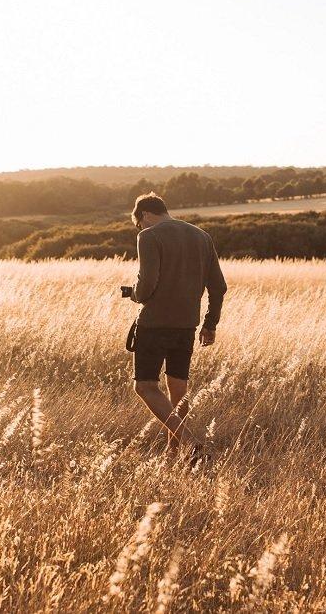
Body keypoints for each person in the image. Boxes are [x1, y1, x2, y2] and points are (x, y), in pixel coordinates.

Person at [126, 192, 227, 465]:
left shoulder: (149, 236)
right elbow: (219, 287)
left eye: (139, 223)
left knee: (145, 387)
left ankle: (190, 443)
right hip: (186, 326)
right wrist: (210, 324)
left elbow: (147, 287)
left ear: (145, 214)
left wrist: (134, 294)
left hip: (154, 323)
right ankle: (173, 455)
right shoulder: (202, 237)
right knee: (177, 391)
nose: (140, 229)